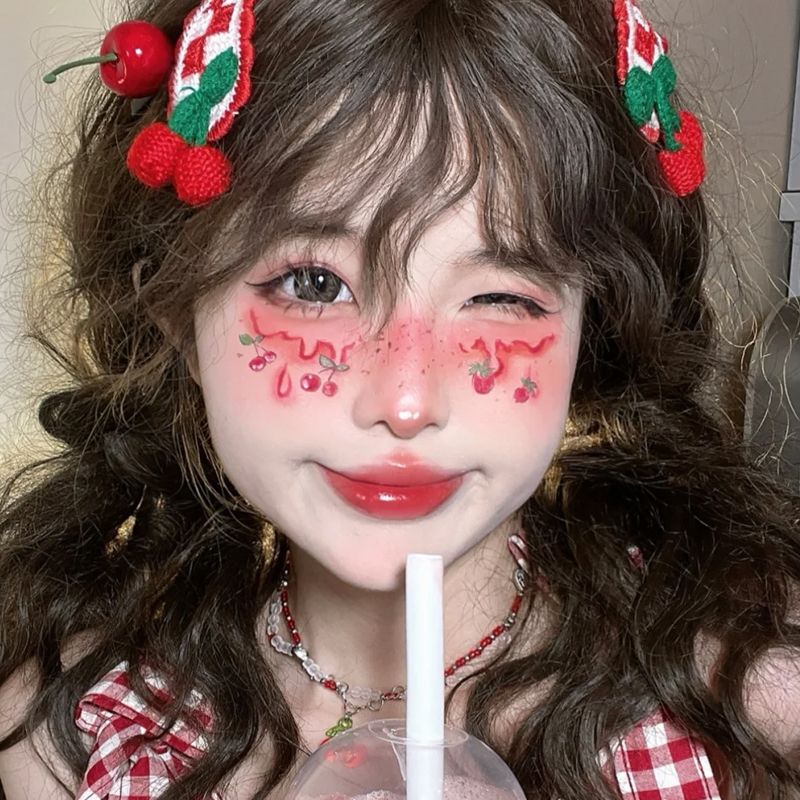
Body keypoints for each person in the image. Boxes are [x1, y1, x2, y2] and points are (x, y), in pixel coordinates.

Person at [0, 0, 798, 798]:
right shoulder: (75, 738)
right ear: (179, 320)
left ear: (593, 326)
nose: (408, 402)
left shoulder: (750, 712)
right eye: (315, 285)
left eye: (500, 297)